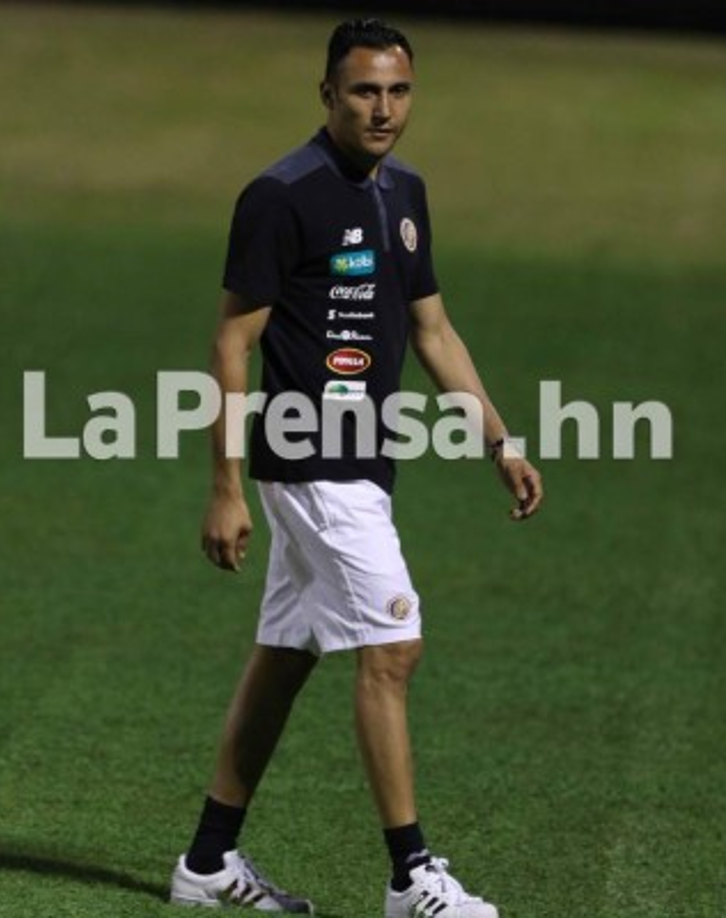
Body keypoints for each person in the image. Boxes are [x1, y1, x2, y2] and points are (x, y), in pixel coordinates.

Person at [170, 18, 543, 918]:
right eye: (364, 91)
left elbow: (431, 330)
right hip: (309, 463)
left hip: (364, 464)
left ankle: (207, 863)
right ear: (327, 94)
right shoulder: (279, 196)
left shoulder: (403, 192)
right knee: (393, 647)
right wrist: (224, 487)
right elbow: (231, 342)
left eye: (398, 91)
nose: (382, 109)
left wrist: (499, 438)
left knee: (287, 655)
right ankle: (411, 877)